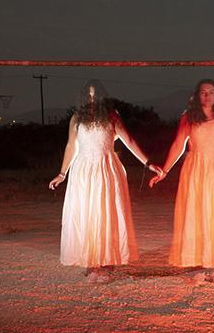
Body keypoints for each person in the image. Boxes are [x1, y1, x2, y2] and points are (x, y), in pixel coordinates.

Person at [49, 80, 158, 283]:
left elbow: (130, 141)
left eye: (95, 96)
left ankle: (106, 260)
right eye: (88, 96)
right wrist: (62, 174)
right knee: (87, 215)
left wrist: (148, 163)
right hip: (83, 171)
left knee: (107, 213)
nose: (92, 100)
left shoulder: (112, 117)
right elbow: (71, 146)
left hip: (107, 169)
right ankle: (92, 261)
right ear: (83, 98)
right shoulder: (76, 119)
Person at [148, 78, 214, 283]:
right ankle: (200, 266)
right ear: (197, 95)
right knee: (198, 214)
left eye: (211, 92)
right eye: (203, 92)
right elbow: (178, 144)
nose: (207, 96)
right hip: (196, 169)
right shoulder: (188, 118)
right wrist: (165, 171)